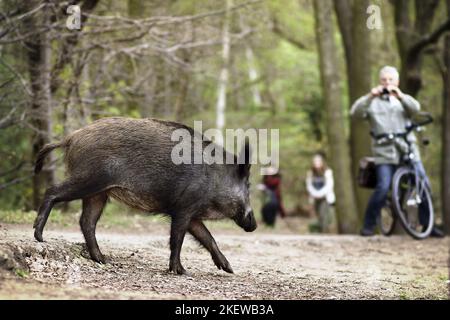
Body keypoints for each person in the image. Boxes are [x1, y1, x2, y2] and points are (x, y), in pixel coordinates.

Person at [351, 65, 444, 237]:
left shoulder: (403, 101)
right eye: (384, 80)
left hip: (407, 149)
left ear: (397, 81)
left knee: (423, 183)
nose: (387, 83)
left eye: (390, 80)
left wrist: (400, 96)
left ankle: (427, 225)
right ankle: (368, 225)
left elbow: (415, 109)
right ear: (379, 82)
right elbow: (356, 113)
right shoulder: (372, 103)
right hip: (384, 152)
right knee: (383, 186)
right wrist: (370, 95)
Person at [306, 154, 336, 233]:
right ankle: (318, 231)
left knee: (324, 215)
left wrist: (320, 194)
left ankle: (324, 231)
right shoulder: (311, 173)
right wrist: (315, 194)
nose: (317, 163)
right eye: (315, 162)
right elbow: (309, 185)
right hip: (314, 197)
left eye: (318, 161)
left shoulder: (327, 172)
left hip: (325, 197)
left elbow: (329, 185)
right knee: (317, 215)